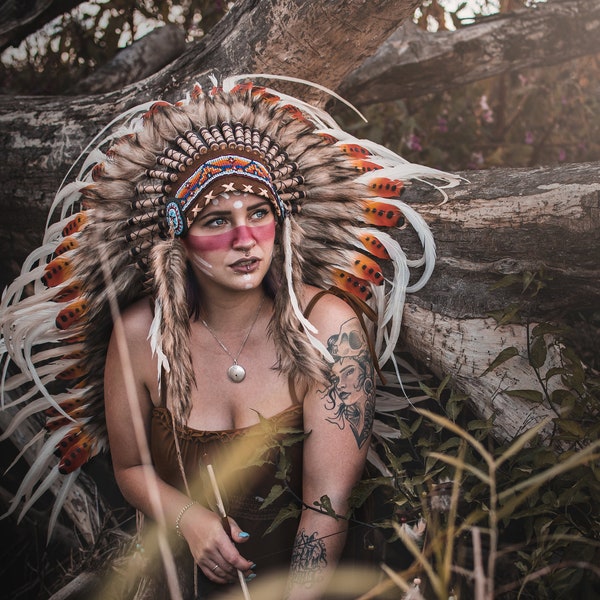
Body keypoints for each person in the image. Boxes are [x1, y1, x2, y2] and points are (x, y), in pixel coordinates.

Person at [0, 75, 460, 599]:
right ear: (178, 238)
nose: (245, 241)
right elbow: (130, 468)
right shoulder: (138, 336)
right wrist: (188, 519)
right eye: (217, 220)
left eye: (259, 214)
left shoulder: (327, 327)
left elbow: (325, 503)